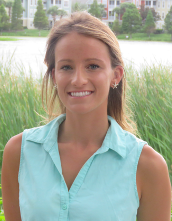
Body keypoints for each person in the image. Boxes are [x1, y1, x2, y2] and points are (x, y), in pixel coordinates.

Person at [1, 12, 171, 221]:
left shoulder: (148, 165)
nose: (78, 79)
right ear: (55, 76)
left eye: (92, 66)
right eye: (66, 67)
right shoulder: (20, 153)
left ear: (115, 75)